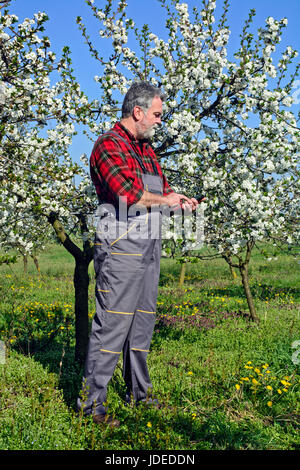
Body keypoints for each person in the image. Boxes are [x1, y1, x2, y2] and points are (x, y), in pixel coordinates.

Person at [77, 81, 198, 426]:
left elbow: (162, 188)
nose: (161, 121)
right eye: (157, 115)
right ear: (138, 112)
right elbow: (125, 193)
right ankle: (91, 406)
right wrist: (165, 201)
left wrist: (180, 201)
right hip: (120, 248)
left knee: (141, 326)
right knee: (112, 325)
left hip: (148, 246)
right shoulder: (109, 145)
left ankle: (138, 395)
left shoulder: (146, 149)